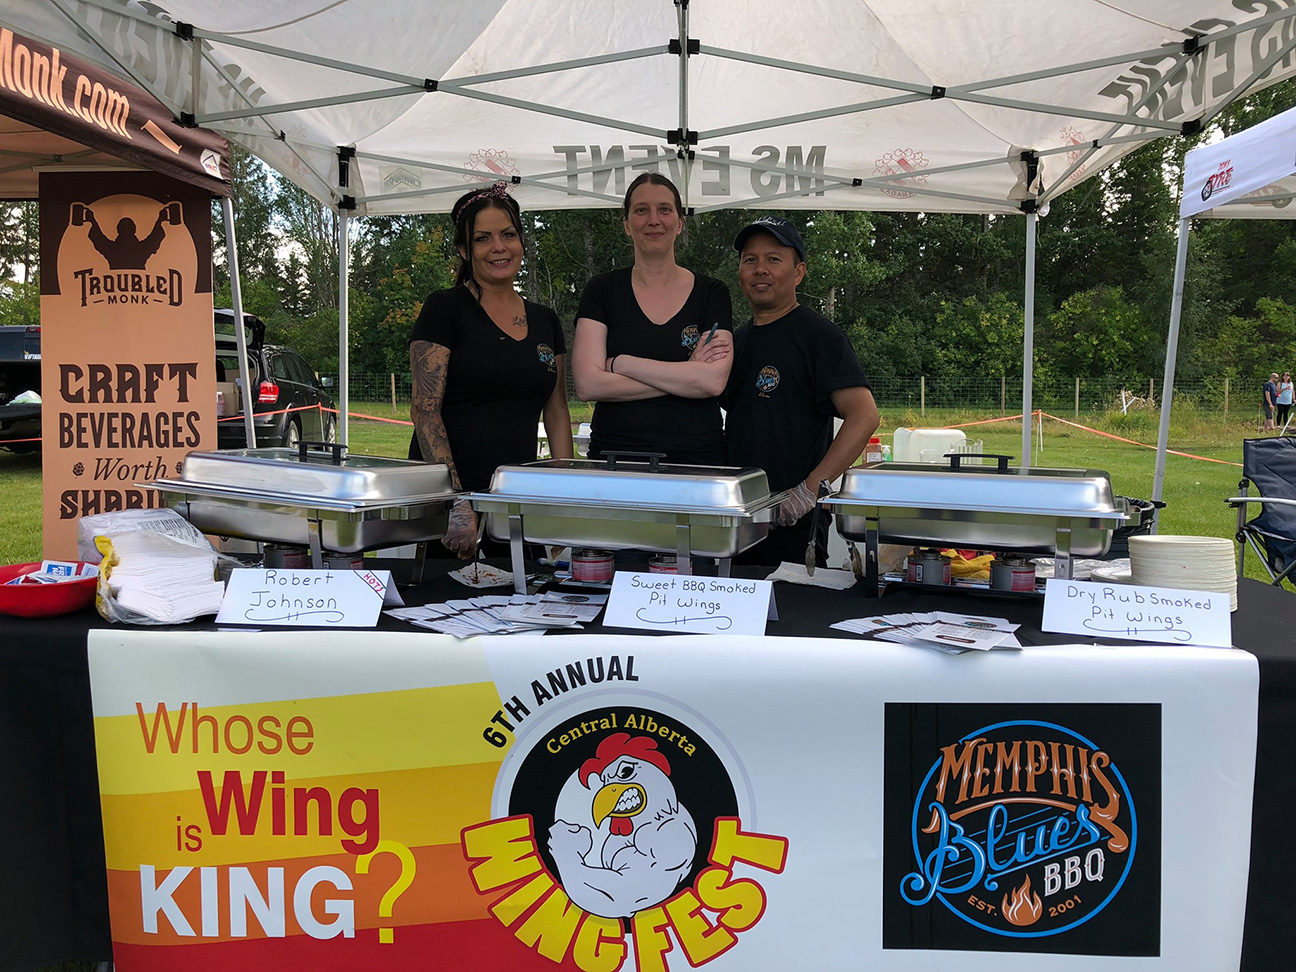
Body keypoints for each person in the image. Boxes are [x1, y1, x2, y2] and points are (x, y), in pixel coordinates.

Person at [409, 183, 573, 558]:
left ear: (521, 242)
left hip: (514, 498)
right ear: (465, 251)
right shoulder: (445, 308)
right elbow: (424, 409)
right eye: (483, 238)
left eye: (508, 234)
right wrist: (455, 502)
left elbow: (557, 407)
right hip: (451, 503)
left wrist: (565, 492)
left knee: (527, 601)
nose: (499, 247)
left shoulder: (545, 320)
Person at [724, 216, 879, 568]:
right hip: (734, 521)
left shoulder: (820, 338)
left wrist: (809, 491)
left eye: (773, 259)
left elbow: (864, 415)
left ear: (798, 272)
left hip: (791, 524)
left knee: (790, 616)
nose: (760, 269)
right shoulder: (737, 341)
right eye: (750, 260)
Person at [571, 173, 733, 465]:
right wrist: (687, 373)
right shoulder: (602, 291)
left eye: (665, 209)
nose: (653, 219)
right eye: (641, 210)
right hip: (615, 459)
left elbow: (713, 382)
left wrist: (621, 364)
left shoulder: (711, 293)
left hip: (698, 461)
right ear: (626, 224)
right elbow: (588, 385)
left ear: (680, 223)